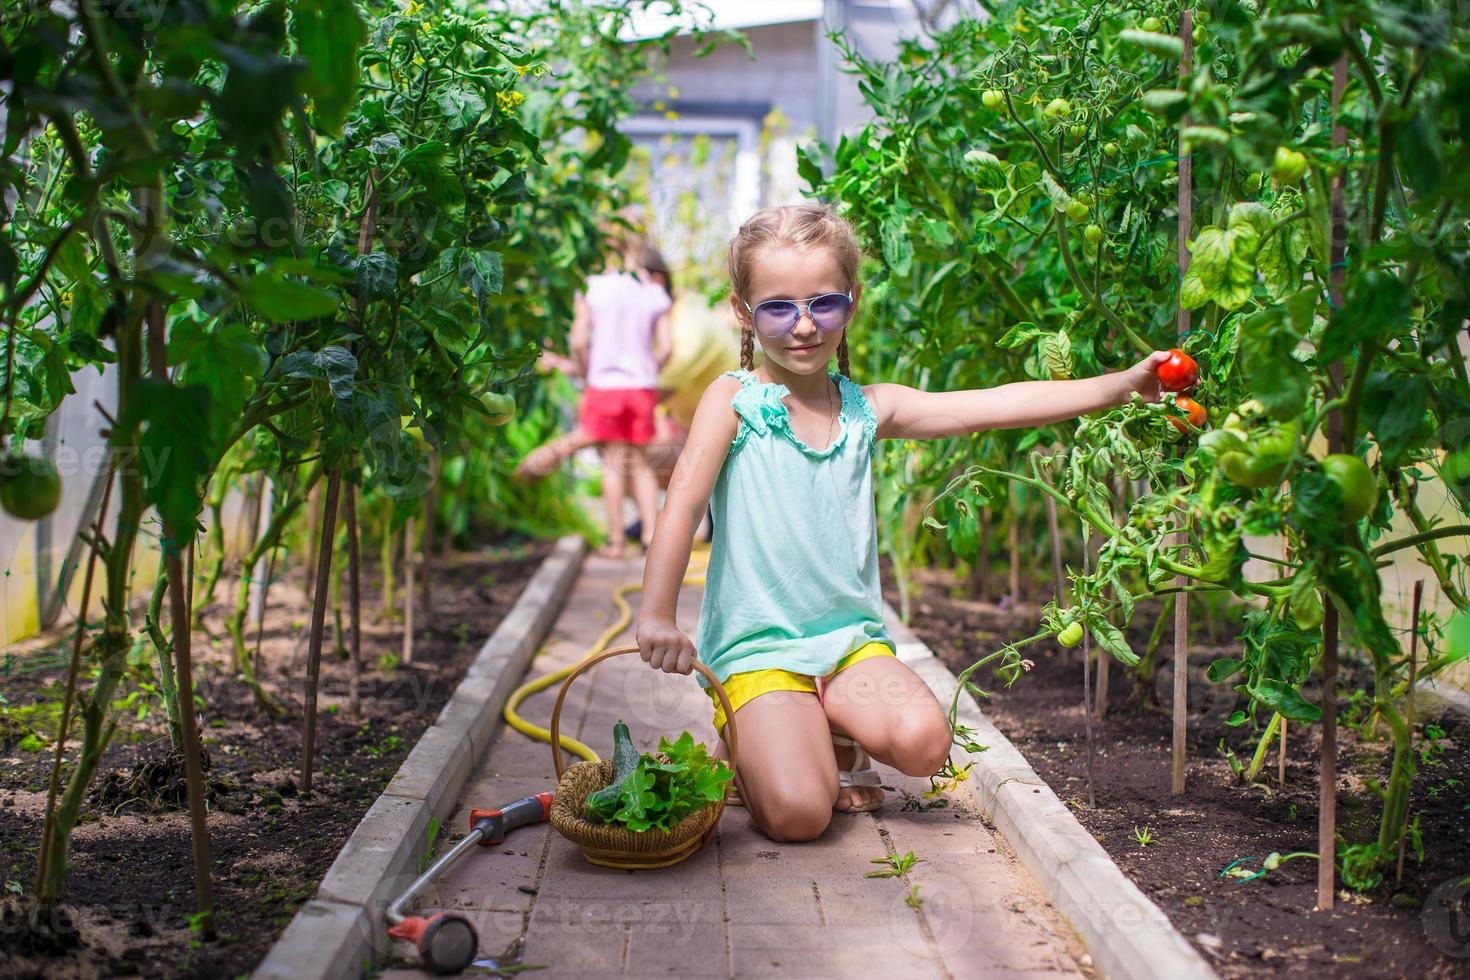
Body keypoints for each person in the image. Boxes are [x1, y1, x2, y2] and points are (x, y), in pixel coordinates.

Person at [633, 204, 1173, 842]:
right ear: (743, 312)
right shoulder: (733, 402)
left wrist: (1121, 385)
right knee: (801, 816)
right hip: (758, 649)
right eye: (778, 307)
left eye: (823, 303)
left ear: (852, 304)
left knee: (924, 744)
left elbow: (994, 404)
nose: (803, 326)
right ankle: (751, 745)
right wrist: (656, 615)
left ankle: (825, 731)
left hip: (847, 647)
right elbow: (682, 507)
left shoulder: (867, 409)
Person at [515, 231, 673, 559]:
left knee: (615, 463)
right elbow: (667, 347)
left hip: (605, 385)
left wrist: (590, 373)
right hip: (641, 386)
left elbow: (576, 341)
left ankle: (616, 541)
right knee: (641, 463)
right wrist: (647, 369)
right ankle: (651, 536)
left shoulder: (592, 287)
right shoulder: (652, 290)